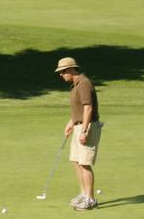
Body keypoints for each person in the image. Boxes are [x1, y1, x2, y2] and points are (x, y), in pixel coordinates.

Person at [56, 57, 101, 211]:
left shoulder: (84, 83)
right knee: (75, 160)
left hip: (87, 126)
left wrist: (84, 130)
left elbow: (88, 108)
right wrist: (72, 122)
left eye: (62, 72)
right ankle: (83, 193)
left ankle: (91, 199)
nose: (61, 75)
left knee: (85, 163)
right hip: (78, 125)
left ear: (71, 69)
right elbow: (80, 109)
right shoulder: (74, 85)